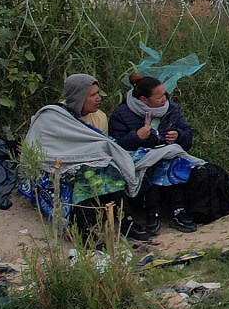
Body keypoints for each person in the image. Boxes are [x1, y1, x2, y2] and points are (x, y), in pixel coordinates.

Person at [22, 74, 150, 241]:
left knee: (109, 170)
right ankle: (86, 231)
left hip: (90, 162)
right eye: (92, 95)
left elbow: (100, 144)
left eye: (98, 93)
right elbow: (41, 149)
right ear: (79, 96)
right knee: (83, 176)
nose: (98, 99)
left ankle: (126, 222)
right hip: (54, 165)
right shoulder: (52, 116)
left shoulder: (99, 117)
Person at [108, 73, 199, 234]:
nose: (164, 99)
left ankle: (179, 211)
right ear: (143, 99)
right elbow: (116, 145)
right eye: (159, 97)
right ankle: (152, 213)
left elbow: (187, 138)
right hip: (139, 160)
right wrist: (137, 136)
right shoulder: (122, 114)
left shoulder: (171, 109)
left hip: (168, 153)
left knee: (174, 161)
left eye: (164, 94)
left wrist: (178, 135)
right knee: (153, 166)